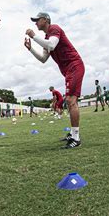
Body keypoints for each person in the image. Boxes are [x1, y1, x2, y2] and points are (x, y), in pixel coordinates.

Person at [25, 12, 85, 148]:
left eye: (37, 20)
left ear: (45, 20)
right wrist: (31, 49)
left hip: (74, 66)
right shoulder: (46, 38)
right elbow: (43, 59)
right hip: (68, 70)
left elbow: (51, 45)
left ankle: (76, 137)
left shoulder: (54, 29)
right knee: (70, 101)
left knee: (71, 100)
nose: (35, 23)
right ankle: (72, 133)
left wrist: (33, 36)